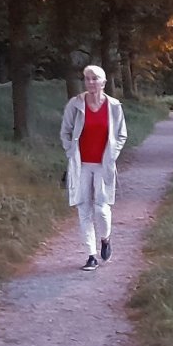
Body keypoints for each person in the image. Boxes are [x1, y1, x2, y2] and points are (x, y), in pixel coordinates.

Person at [59, 65, 128, 271]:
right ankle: (90, 255)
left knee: (101, 208)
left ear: (103, 82)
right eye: (87, 78)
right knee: (84, 208)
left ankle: (105, 239)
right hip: (81, 165)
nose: (90, 82)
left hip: (103, 164)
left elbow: (122, 134)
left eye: (95, 79)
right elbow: (65, 131)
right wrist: (70, 151)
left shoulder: (114, 106)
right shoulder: (76, 104)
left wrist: (112, 154)